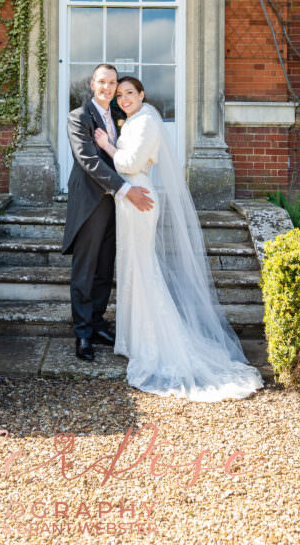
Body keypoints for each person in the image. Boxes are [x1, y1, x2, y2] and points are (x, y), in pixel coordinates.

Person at [94, 76, 264, 401]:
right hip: (128, 200)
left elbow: (128, 162)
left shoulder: (146, 121)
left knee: (142, 269)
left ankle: (156, 343)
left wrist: (106, 145)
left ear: (142, 94)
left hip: (139, 197)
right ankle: (134, 341)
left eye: (129, 92)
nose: (124, 98)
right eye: (119, 95)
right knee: (132, 268)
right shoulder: (132, 121)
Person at [62, 63, 154, 362]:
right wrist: (127, 190)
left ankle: (99, 323)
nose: (107, 88)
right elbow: (89, 161)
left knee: (105, 268)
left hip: (117, 206)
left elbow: (128, 155)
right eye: (102, 82)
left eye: (112, 83)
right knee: (85, 270)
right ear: (92, 84)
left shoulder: (119, 115)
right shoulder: (78, 118)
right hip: (91, 203)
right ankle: (83, 333)